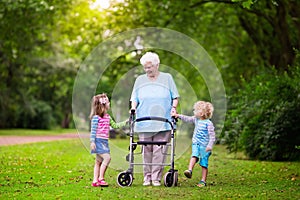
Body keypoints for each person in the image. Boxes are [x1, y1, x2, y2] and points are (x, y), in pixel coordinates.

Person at [130, 52, 180, 186]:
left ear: (157, 65)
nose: (147, 70)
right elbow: (134, 97)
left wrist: (173, 108)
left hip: (163, 121)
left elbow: (175, 96)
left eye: (150, 67)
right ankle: (147, 177)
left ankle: (156, 177)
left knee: (160, 151)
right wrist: (133, 108)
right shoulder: (140, 80)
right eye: (145, 68)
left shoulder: (167, 78)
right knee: (146, 150)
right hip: (144, 121)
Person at [173, 101, 216, 187]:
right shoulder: (196, 119)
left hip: (205, 147)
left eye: (195, 110)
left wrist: (209, 146)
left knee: (204, 164)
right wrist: (178, 116)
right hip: (196, 143)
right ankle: (189, 170)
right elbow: (187, 118)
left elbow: (212, 136)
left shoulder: (208, 124)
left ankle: (203, 181)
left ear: (201, 113)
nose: (194, 112)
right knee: (194, 155)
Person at [89, 93, 128, 187]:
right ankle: (101, 178)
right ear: (102, 105)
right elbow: (93, 131)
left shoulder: (108, 117)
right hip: (98, 141)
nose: (109, 103)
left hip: (104, 141)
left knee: (98, 161)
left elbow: (115, 126)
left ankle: (95, 181)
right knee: (107, 158)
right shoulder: (96, 118)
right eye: (108, 102)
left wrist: (125, 122)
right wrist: (92, 142)